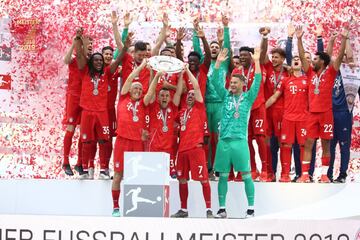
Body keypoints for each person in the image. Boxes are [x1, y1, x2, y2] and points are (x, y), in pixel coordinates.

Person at [111, 56, 164, 217]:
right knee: (118, 174)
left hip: (137, 143)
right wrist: (141, 68)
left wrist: (155, 76)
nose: (138, 90)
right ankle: (115, 207)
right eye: (136, 87)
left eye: (141, 89)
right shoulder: (123, 98)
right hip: (122, 141)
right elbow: (127, 80)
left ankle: (135, 209)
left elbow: (151, 91)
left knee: (136, 176)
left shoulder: (143, 103)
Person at [213, 47, 262, 218]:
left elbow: (258, 81)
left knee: (247, 175)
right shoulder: (225, 96)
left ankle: (251, 208)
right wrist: (218, 63)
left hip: (240, 141)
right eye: (231, 82)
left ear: (242, 85)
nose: (231, 85)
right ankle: (221, 208)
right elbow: (214, 80)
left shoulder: (248, 98)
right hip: (224, 141)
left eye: (235, 83)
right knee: (223, 176)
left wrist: (256, 61)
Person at [297, 26, 348, 183]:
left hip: (326, 113)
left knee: (326, 143)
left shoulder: (331, 72)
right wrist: (299, 39)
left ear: (323, 62)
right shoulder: (310, 72)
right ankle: (305, 174)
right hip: (312, 114)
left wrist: (344, 39)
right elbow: (301, 56)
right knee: (308, 143)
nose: (312, 61)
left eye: (315, 59)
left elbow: (338, 57)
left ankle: (325, 175)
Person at [74, 27, 126, 180]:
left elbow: (119, 58)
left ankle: (104, 170)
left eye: (100, 60)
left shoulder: (107, 72)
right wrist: (78, 39)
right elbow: (80, 56)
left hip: (102, 112)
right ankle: (83, 169)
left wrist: (125, 45)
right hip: (87, 112)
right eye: (96, 60)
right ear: (91, 62)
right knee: (86, 140)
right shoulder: (84, 71)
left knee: (104, 140)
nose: (98, 62)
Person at [171, 64, 213, 219]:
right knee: (182, 179)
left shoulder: (199, 108)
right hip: (182, 151)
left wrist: (187, 70)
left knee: (203, 179)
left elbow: (195, 87)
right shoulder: (180, 112)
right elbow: (177, 95)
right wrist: (181, 76)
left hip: (196, 149)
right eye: (187, 94)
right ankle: (183, 209)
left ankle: (208, 210)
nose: (190, 95)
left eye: (192, 94)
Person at [265, 56, 308, 182]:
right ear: (291, 64)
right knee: (285, 146)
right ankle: (285, 174)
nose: (296, 60)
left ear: (302, 63)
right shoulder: (285, 81)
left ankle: (304, 174)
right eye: (294, 58)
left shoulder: (308, 80)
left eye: (299, 59)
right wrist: (260, 109)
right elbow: (274, 97)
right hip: (288, 118)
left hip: (303, 118)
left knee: (303, 146)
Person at [61, 31, 92, 176]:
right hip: (73, 97)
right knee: (71, 129)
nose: (90, 46)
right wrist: (75, 42)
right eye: (87, 43)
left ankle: (80, 162)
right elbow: (65, 60)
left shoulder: (91, 61)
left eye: (91, 44)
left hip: (86, 99)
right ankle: (65, 161)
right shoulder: (73, 60)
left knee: (83, 131)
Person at [261, 27, 290, 182]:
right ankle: (269, 172)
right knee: (267, 143)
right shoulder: (267, 67)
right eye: (273, 57)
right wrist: (265, 37)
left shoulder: (287, 73)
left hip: (281, 111)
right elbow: (263, 53)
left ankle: (285, 173)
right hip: (267, 111)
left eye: (277, 57)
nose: (274, 59)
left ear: (283, 59)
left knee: (281, 142)